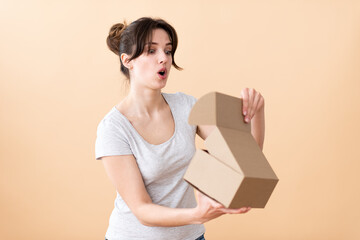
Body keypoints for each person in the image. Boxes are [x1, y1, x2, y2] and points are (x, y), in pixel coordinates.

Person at [95, 17, 265, 240]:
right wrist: (197, 214)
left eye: (168, 50)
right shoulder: (114, 128)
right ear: (128, 61)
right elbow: (142, 210)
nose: (163, 59)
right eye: (151, 51)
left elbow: (246, 162)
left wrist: (258, 111)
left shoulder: (186, 106)